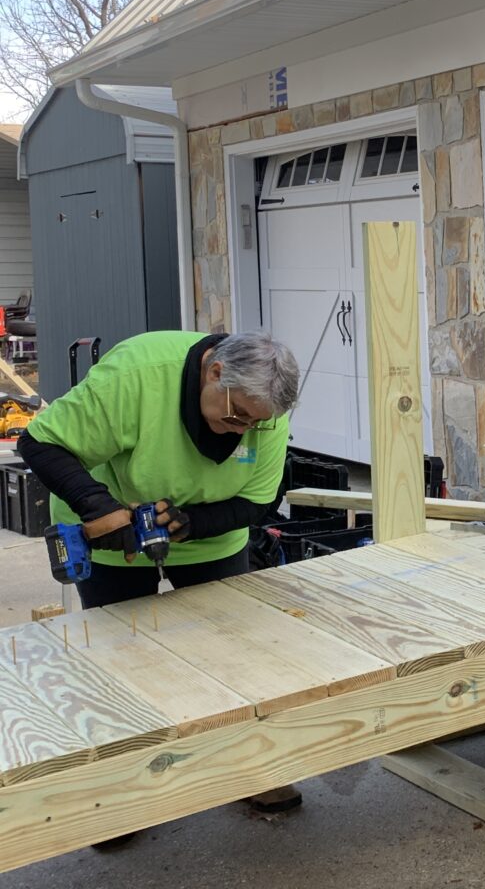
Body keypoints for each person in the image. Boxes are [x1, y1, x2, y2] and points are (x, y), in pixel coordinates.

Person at [18, 329, 305, 827]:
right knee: (119, 665)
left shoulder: (262, 409)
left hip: (211, 537)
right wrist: (98, 508)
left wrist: (193, 524)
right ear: (215, 372)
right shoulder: (136, 376)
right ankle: (116, 799)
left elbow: (257, 503)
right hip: (113, 532)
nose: (242, 430)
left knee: (230, 657)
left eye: (257, 423)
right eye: (236, 416)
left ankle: (246, 768)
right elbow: (39, 442)